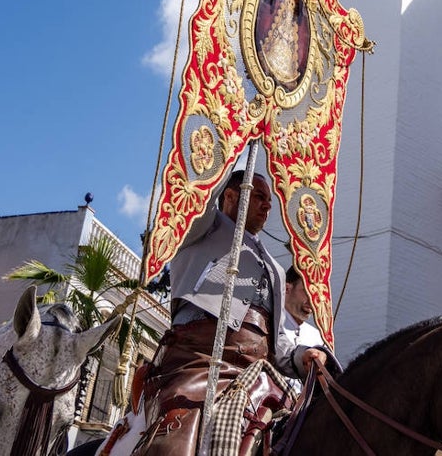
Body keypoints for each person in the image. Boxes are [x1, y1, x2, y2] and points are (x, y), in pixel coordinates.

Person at [133, 169, 329, 456]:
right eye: (259, 196)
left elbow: (279, 346)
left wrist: (303, 357)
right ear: (229, 196)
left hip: (256, 373)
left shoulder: (275, 268)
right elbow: (197, 197)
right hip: (197, 359)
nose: (267, 206)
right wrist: (229, 149)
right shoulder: (201, 228)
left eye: (270, 202)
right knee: (175, 445)